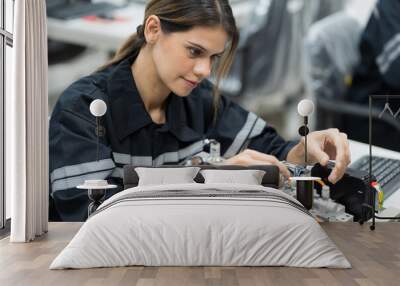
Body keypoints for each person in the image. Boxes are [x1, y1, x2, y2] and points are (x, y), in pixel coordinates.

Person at [49, 0, 350, 222]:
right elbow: (90, 216)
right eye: (194, 51)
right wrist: (208, 181)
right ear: (153, 29)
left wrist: (300, 152)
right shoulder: (82, 110)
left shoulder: (199, 99)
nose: (204, 70)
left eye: (213, 57)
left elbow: (271, 149)